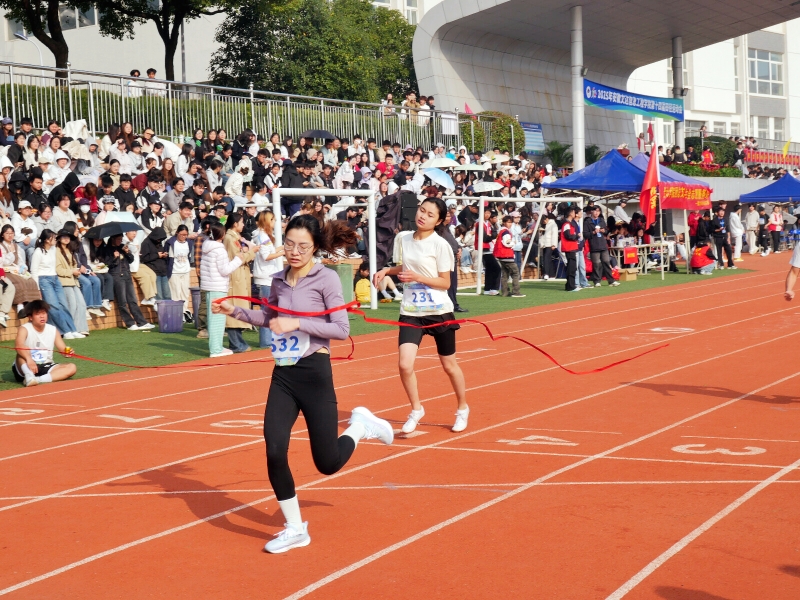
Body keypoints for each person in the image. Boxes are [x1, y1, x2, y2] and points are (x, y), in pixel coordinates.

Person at [212, 214, 393, 554]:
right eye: (290, 245)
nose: (295, 252)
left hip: (314, 373)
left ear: (315, 247)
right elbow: (269, 318)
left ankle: (359, 427)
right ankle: (295, 528)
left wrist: (297, 324)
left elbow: (341, 329)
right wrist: (233, 311)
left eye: (303, 246)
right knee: (274, 449)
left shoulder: (326, 279)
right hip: (283, 375)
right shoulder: (279, 281)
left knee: (327, 463)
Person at [374, 198, 468, 434]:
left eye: (430, 214)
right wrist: (387, 270)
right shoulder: (404, 238)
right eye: (422, 210)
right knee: (404, 364)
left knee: (449, 365)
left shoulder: (441, 245)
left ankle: (462, 408)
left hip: (438, 311)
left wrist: (418, 278)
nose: (423, 216)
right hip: (411, 312)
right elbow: (407, 267)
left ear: (439, 221)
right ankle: (416, 409)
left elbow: (445, 283)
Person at [201, 223, 246, 358]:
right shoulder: (219, 250)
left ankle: (217, 347)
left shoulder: (207, 247)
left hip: (210, 285)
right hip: (217, 286)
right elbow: (225, 270)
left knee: (214, 318)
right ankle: (216, 349)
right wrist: (238, 260)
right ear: (221, 234)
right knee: (217, 319)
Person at [29, 230, 83, 339]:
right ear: (46, 240)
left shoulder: (54, 249)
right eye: (53, 238)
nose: (55, 239)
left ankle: (73, 329)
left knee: (63, 305)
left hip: (55, 279)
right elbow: (34, 271)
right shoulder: (38, 252)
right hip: (44, 280)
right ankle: (65, 331)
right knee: (53, 306)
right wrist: (37, 288)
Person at [13, 299, 77, 387]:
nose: (42, 316)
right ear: (30, 317)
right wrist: (29, 359)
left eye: (44, 313)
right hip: (26, 365)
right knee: (22, 351)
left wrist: (67, 352)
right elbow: (18, 345)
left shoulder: (53, 329)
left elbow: (62, 348)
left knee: (71, 367)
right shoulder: (24, 328)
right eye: (38, 314)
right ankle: (28, 375)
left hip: (46, 365)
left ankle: (38, 379)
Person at [102, 233, 153, 331]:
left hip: (127, 274)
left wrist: (128, 252)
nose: (120, 241)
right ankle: (130, 323)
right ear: (112, 239)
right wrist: (114, 257)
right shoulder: (107, 249)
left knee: (132, 300)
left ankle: (141, 322)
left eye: (121, 239)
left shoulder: (122, 247)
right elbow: (107, 264)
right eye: (118, 239)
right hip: (116, 276)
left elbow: (131, 260)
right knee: (122, 301)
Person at [223, 213, 258, 353]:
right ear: (235, 224)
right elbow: (238, 258)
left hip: (240, 276)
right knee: (233, 310)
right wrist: (252, 252)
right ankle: (236, 344)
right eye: (241, 222)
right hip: (235, 276)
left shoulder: (235, 237)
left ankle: (238, 342)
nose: (243, 225)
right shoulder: (230, 238)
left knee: (238, 310)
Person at [252, 211, 284, 349]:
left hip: (267, 276)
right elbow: (266, 256)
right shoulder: (262, 236)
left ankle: (269, 339)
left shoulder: (264, 235)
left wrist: (281, 249)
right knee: (266, 309)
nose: (274, 222)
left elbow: (269, 252)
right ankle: (265, 341)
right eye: (273, 220)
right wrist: (282, 253)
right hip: (265, 277)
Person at [55, 230, 90, 337]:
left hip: (73, 280)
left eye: (68, 237)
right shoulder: (56, 251)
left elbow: (74, 265)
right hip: (64, 281)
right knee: (72, 305)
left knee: (81, 304)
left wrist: (76, 271)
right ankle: (70, 329)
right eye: (64, 237)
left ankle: (81, 329)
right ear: (59, 239)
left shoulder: (70, 250)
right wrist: (72, 271)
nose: (66, 239)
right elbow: (58, 270)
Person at [584, 204, 619, 287]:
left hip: (603, 244)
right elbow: (585, 234)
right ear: (591, 211)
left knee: (606, 262)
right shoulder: (587, 222)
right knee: (596, 264)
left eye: (598, 211)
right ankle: (597, 281)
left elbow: (606, 231)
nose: (596, 213)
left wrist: (604, 231)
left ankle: (611, 280)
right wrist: (593, 232)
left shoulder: (601, 220)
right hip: (594, 245)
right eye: (595, 211)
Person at [166, 225, 194, 323]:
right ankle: (177, 313)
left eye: (186, 235)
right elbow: (168, 258)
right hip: (174, 271)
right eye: (182, 234)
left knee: (185, 293)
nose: (184, 236)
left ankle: (185, 312)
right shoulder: (171, 242)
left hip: (185, 271)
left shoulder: (189, 243)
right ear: (177, 233)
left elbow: (189, 256)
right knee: (176, 293)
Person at [493, 215, 525, 297]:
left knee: (505, 274)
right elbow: (507, 242)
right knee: (515, 272)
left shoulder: (501, 231)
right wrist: (513, 243)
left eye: (511, 222)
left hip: (500, 255)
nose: (510, 224)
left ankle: (505, 292)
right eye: (508, 222)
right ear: (504, 223)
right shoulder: (506, 232)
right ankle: (516, 292)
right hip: (506, 255)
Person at [140, 227, 171, 301]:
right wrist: (157, 255)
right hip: (154, 272)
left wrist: (164, 255)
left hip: (163, 272)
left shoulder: (158, 242)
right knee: (159, 297)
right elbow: (144, 258)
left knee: (167, 296)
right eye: (159, 238)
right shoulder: (146, 243)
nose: (159, 240)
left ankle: (168, 308)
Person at [561, 206, 580, 291]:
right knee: (571, 267)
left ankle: (570, 285)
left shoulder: (568, 224)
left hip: (571, 247)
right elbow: (568, 235)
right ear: (570, 213)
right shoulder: (567, 224)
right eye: (573, 212)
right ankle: (571, 286)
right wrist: (576, 236)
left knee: (572, 267)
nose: (574, 213)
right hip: (569, 248)